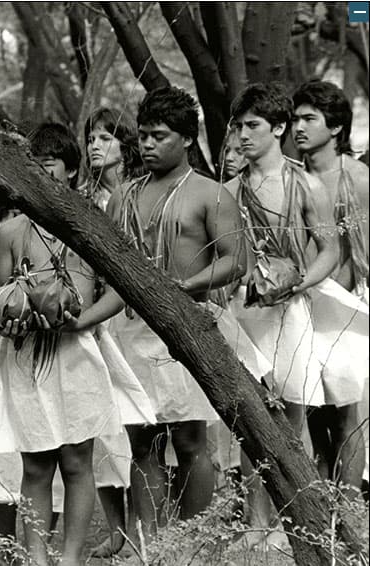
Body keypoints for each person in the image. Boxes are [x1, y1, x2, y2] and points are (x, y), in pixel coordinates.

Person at [106, 86, 269, 542]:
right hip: (132, 328)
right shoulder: (124, 196)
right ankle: (154, 543)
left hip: (189, 325)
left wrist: (186, 287)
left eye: (159, 136)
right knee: (142, 441)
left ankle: (194, 541)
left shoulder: (209, 194)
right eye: (142, 136)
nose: (148, 145)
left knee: (189, 440)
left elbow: (237, 260)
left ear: (185, 138)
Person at [0, 122, 133, 566]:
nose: (40, 174)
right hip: (28, 355)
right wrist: (11, 321)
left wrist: (80, 322)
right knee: (34, 464)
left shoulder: (91, 221)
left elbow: (122, 287)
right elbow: (0, 297)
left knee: (75, 461)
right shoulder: (12, 230)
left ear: (70, 170)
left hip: (77, 352)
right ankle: (36, 556)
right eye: (32, 166)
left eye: (49, 165)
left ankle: (69, 558)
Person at [224, 82, 343, 547]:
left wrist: (298, 282)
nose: (243, 136)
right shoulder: (227, 191)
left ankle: (294, 523)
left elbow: (330, 249)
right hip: (244, 310)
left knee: (292, 419)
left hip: (291, 309)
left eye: (253, 126)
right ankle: (257, 524)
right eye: (238, 126)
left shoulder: (307, 184)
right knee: (251, 417)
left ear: (278, 128)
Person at [291, 80, 368, 491]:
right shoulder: (290, 179)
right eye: (295, 119)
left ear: (336, 128)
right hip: (300, 307)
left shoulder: (357, 179)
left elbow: (363, 251)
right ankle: (324, 499)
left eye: (310, 119)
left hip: (345, 308)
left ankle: (352, 506)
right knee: (313, 411)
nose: (299, 127)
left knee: (345, 410)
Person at [82, 107, 146, 558]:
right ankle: (116, 527)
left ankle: (146, 525)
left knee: (142, 426)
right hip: (96, 321)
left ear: (126, 144)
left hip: (137, 322)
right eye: (90, 139)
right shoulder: (81, 199)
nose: (94, 146)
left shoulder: (138, 194)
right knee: (105, 429)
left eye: (105, 137)